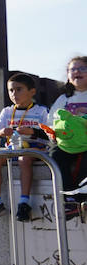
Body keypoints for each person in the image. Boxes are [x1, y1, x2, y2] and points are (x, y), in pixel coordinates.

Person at [0, 72, 52, 222]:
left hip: (35, 148)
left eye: (19, 89)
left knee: (24, 158)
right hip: (13, 147)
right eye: (11, 90)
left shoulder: (41, 111)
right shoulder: (7, 111)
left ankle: (24, 202)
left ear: (32, 92)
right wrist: (1, 132)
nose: (14, 93)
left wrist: (33, 131)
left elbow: (51, 134)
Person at [49, 56, 87, 191]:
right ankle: (68, 195)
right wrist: (53, 133)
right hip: (68, 142)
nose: (77, 72)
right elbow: (51, 120)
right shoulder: (63, 99)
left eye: (82, 68)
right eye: (73, 69)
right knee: (55, 156)